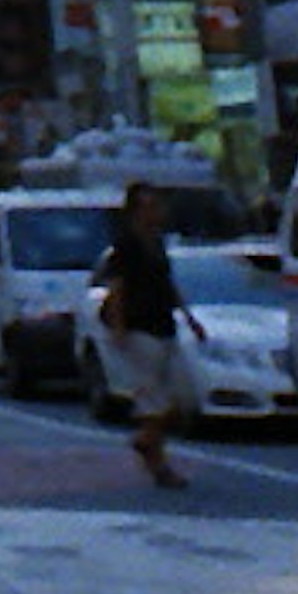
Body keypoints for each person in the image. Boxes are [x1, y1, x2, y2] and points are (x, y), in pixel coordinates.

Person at [92, 187, 191, 493]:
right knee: (151, 396)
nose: (157, 212)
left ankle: (146, 442)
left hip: (164, 324)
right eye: (150, 207)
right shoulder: (126, 247)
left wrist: (188, 315)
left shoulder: (158, 244)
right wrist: (119, 326)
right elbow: (117, 288)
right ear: (136, 211)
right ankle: (157, 461)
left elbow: (167, 282)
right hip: (140, 327)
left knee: (170, 397)